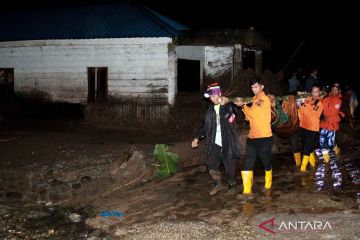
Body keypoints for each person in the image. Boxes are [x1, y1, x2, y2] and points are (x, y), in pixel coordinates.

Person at [191, 82, 240, 195]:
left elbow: (230, 121)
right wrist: (197, 137)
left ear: (220, 94)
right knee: (210, 162)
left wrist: (223, 107)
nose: (212, 99)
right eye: (210, 97)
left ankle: (232, 186)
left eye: (214, 96)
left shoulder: (230, 106)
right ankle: (217, 184)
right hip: (214, 143)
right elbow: (205, 125)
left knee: (230, 168)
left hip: (228, 142)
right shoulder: (210, 110)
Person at [234, 76, 273, 196]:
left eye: (256, 87)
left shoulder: (263, 99)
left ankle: (268, 182)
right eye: (252, 87)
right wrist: (246, 109)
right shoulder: (255, 99)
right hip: (252, 137)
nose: (253, 89)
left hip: (264, 138)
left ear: (262, 87)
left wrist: (242, 106)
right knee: (248, 163)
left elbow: (253, 114)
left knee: (266, 162)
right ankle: (246, 191)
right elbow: (250, 116)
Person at [293, 84, 324, 172]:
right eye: (313, 91)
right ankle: (313, 164)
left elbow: (313, 114)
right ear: (311, 92)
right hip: (303, 126)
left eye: (316, 92)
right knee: (307, 147)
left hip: (312, 128)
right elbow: (302, 111)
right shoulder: (308, 99)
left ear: (319, 92)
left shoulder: (320, 102)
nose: (315, 93)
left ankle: (303, 169)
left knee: (307, 148)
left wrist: (303, 105)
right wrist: (300, 104)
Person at [318, 83, 345, 162]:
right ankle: (326, 158)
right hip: (323, 123)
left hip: (333, 124)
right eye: (333, 89)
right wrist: (323, 117)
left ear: (339, 91)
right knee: (322, 140)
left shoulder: (341, 101)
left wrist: (333, 119)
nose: (334, 91)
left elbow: (343, 113)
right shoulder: (325, 98)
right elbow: (320, 109)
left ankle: (336, 148)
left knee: (330, 143)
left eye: (336, 89)